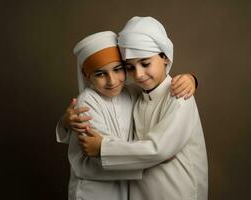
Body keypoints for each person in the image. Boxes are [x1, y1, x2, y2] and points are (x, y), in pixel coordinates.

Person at [80, 16, 208, 200]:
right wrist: (66, 120)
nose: (138, 74)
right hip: (142, 192)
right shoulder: (137, 95)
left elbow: (159, 149)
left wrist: (102, 147)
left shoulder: (179, 97)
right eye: (130, 67)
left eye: (145, 63)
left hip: (177, 191)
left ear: (164, 57)